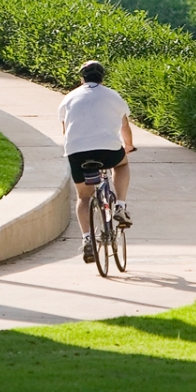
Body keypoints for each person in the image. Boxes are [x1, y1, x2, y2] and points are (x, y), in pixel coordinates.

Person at [58, 60, 135, 264]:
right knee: (122, 164)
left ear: (81, 78)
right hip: (107, 150)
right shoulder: (113, 95)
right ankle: (119, 206)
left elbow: (66, 132)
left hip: (77, 153)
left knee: (84, 197)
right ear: (103, 77)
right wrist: (129, 145)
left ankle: (87, 239)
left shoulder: (69, 98)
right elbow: (124, 127)